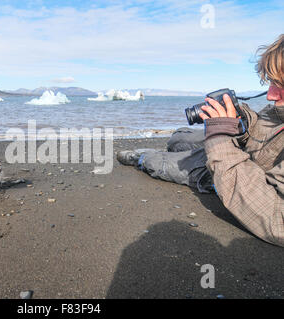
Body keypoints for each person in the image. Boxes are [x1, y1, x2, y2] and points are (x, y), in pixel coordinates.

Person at [117, 34, 284, 247]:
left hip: (243, 174)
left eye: (280, 85)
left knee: (158, 163)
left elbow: (278, 220)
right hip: (243, 152)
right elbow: (267, 131)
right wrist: (241, 122)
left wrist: (220, 136)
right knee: (179, 137)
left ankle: (141, 158)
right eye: (271, 82)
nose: (270, 95)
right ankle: (173, 150)